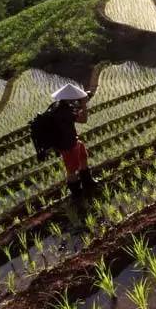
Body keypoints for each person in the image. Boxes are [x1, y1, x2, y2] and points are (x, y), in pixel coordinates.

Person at [48, 83, 99, 224]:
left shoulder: (60, 107)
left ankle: (88, 181)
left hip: (73, 141)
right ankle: (77, 194)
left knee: (83, 157)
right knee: (72, 171)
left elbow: (74, 114)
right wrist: (83, 105)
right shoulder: (63, 112)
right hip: (67, 145)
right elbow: (83, 119)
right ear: (69, 98)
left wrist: (83, 101)